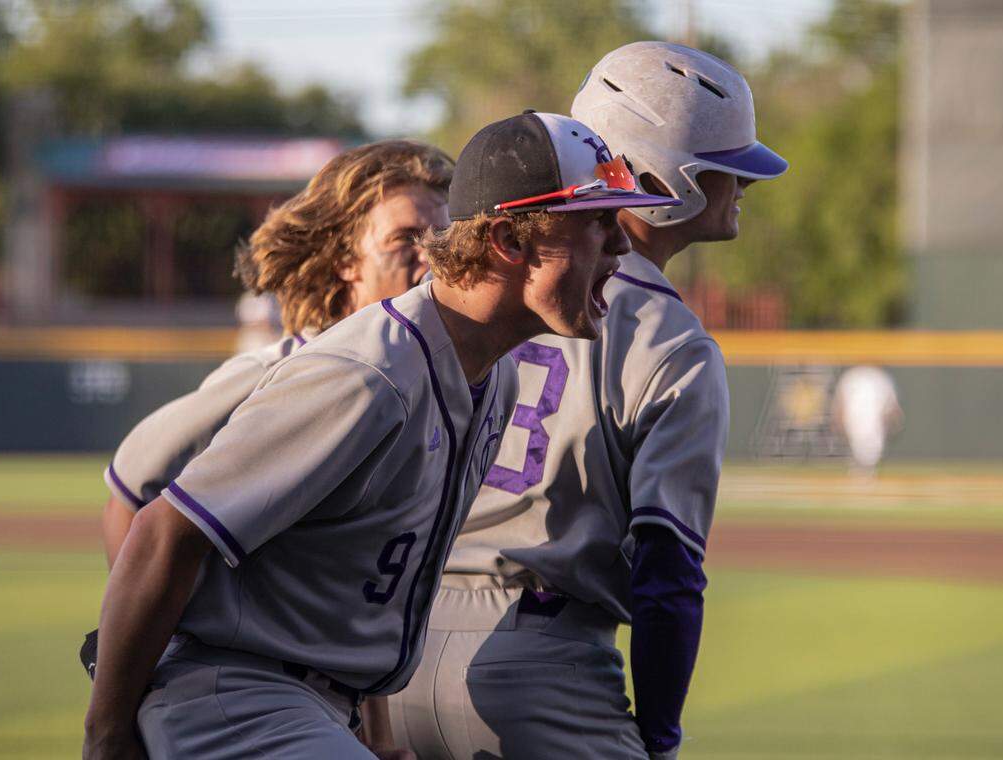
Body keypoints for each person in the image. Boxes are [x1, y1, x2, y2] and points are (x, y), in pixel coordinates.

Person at [81, 111, 678, 760]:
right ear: (507, 238)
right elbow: (162, 528)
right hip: (237, 698)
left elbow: (371, 578)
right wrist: (108, 737)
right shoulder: (367, 375)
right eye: (596, 221)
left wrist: (380, 736)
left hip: (312, 706)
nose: (621, 246)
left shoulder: (491, 377)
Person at [389, 42, 788, 760]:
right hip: (544, 663)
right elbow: (667, 576)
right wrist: (660, 738)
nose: (744, 184)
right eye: (727, 166)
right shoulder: (675, 341)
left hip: (397, 649)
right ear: (671, 180)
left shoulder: (468, 297)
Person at [100, 139, 452, 569]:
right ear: (346, 260)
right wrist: (148, 635)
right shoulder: (277, 371)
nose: (432, 256)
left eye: (442, 237)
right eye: (405, 239)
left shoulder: (435, 373)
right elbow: (132, 491)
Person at [832, 365, 904, 478]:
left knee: (869, 458)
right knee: (862, 460)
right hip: (855, 423)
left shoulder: (879, 377)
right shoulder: (852, 376)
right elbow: (840, 405)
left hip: (872, 427)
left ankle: (865, 474)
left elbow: (891, 406)